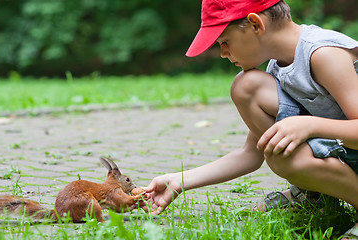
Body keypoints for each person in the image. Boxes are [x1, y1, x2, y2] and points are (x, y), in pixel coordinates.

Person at [143, 0, 358, 238]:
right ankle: (313, 196)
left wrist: (309, 125)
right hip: (346, 151)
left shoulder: (323, 54)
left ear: (255, 24)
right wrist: (179, 181)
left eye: (225, 42)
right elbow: (250, 154)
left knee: (283, 157)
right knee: (246, 87)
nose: (223, 53)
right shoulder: (279, 66)